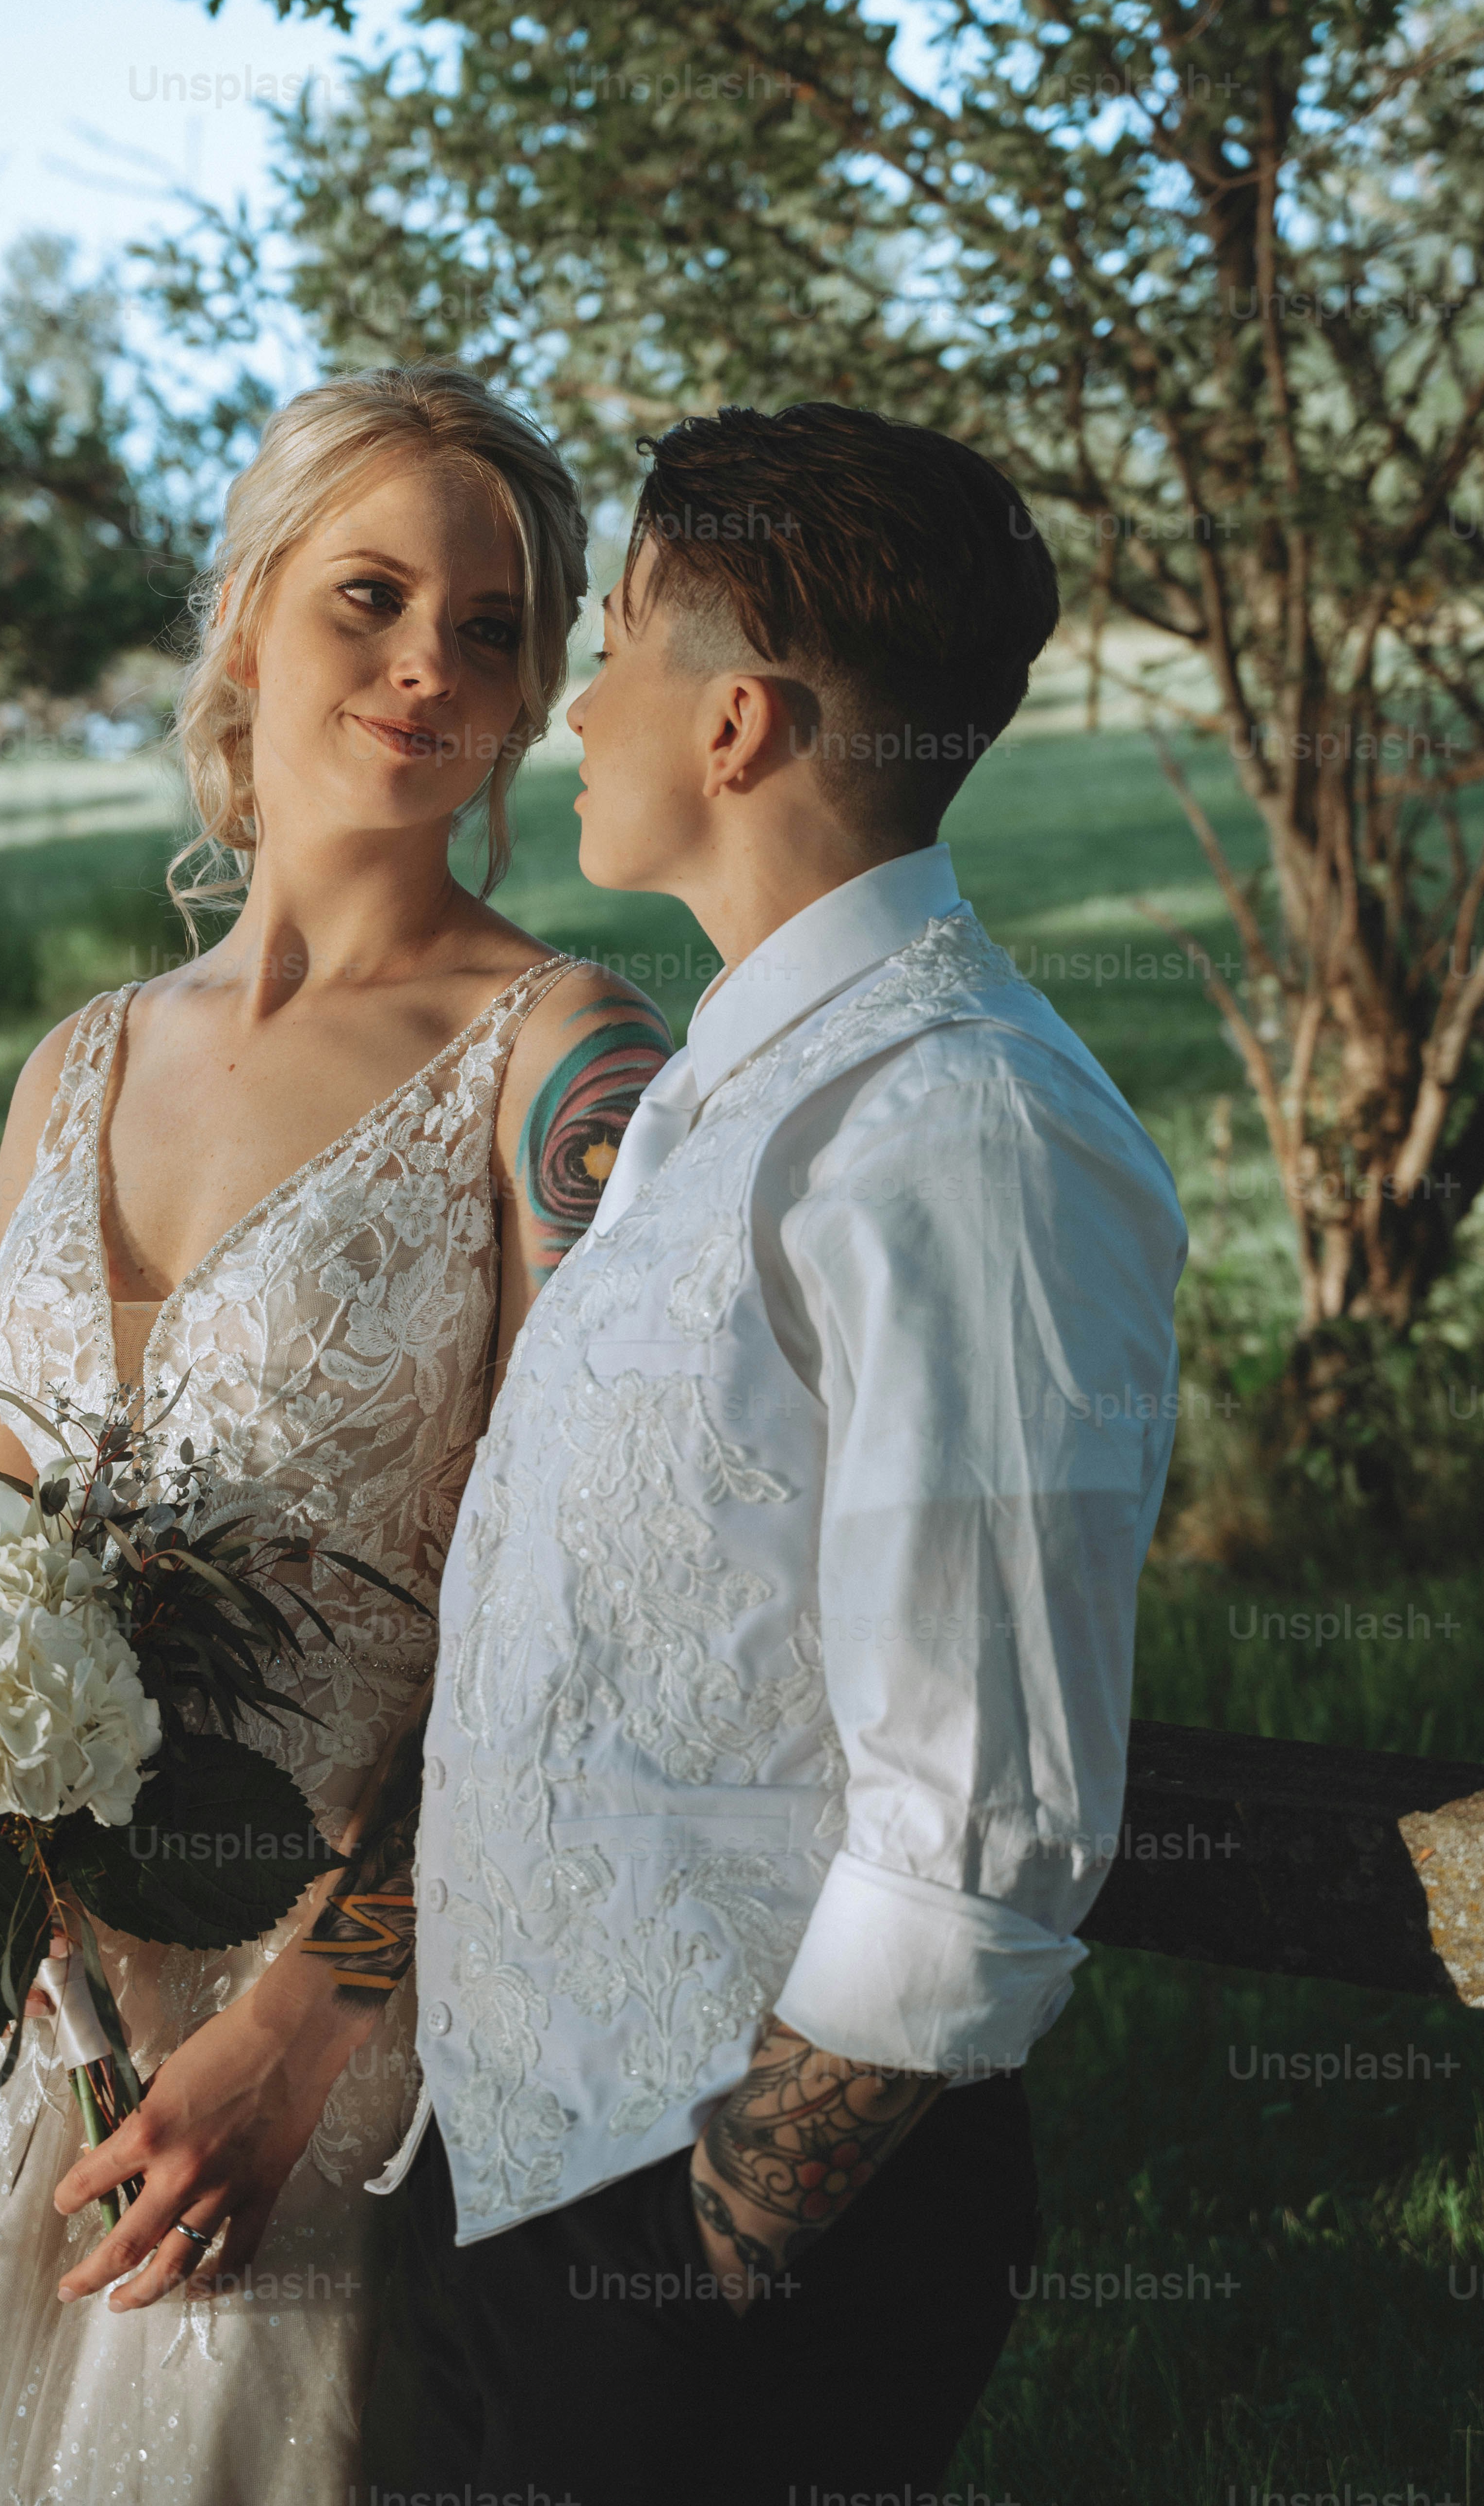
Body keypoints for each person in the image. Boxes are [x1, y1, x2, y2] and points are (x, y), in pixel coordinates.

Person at [0, 366, 668, 2506]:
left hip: (322, 2042)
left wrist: (299, 2040)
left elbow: (582, 1629)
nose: (431, 664)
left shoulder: (566, 1066)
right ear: (246, 620)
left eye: (494, 627)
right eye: (371, 594)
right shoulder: (70, 1063)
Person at [362, 402, 1190, 2506]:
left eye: (615, 637)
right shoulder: (728, 1082)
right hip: (519, 2177)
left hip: (732, 2242)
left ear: (732, 726)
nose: (562, 699)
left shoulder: (959, 1129)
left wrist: (717, 2235)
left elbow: (987, 1806)